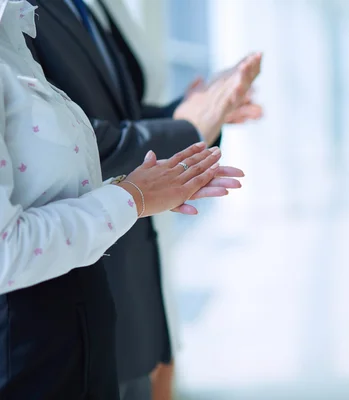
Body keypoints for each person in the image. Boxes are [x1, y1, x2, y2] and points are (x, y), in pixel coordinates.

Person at [0, 0, 245, 397]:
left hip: (84, 331)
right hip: (33, 351)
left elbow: (77, 139)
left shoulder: (14, 31)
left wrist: (197, 120)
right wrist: (134, 195)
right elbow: (5, 250)